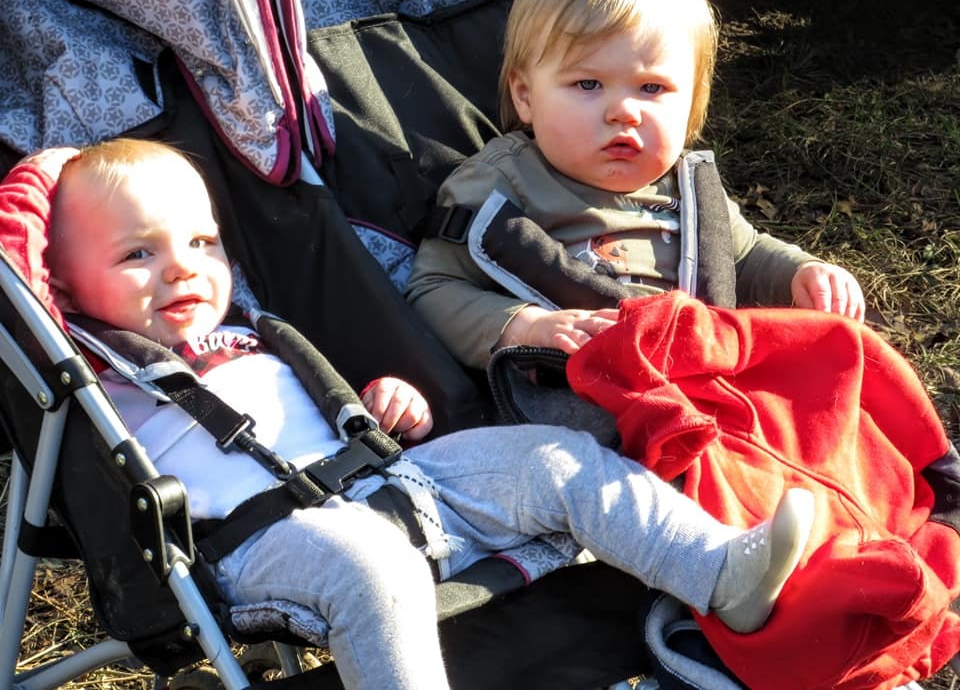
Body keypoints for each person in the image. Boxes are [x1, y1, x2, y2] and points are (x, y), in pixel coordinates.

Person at [0, 138, 815, 690]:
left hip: (393, 479)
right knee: (370, 566)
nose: (181, 268)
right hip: (259, 543)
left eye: (202, 243)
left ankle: (718, 573)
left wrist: (384, 408)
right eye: (137, 254)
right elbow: (21, 283)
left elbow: (324, 409)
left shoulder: (252, 336)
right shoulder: (101, 380)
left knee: (554, 458)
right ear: (63, 288)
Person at [405, 0, 866, 370]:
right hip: (573, 393)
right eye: (588, 83)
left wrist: (801, 273)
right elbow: (433, 288)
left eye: (652, 87)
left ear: (692, 105)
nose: (623, 111)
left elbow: (744, 257)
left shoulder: (690, 190)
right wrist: (526, 326)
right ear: (525, 96)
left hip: (700, 377)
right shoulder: (499, 185)